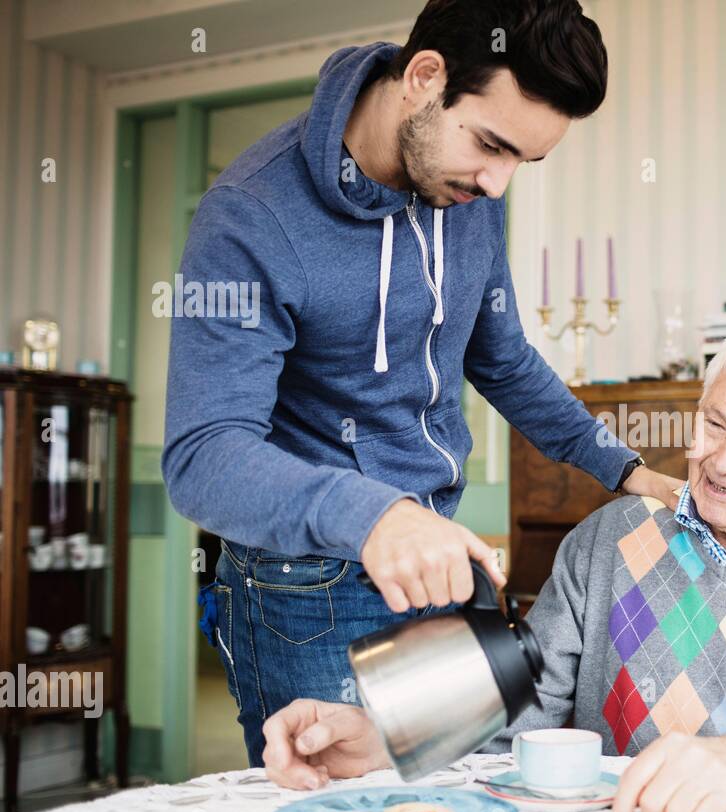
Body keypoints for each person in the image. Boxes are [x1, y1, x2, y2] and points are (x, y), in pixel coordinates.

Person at [163, 0, 678, 764]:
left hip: (438, 559)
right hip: (307, 588)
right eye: (492, 145)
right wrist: (379, 518)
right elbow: (202, 455)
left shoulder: (461, 190)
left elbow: (500, 358)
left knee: (449, 805)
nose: (498, 185)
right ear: (425, 78)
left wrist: (624, 467)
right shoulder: (250, 216)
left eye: (522, 163)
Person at [262, 319, 726, 812]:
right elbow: (526, 703)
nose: (720, 461)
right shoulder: (608, 538)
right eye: (713, 425)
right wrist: (391, 736)